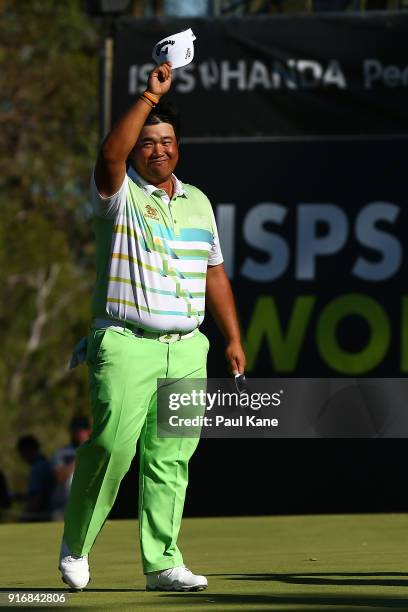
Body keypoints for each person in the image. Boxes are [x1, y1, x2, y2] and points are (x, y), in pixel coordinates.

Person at [58, 60, 245, 592]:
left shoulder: (200, 203)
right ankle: (76, 544)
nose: (158, 149)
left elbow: (215, 273)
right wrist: (148, 95)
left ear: (177, 146)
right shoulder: (118, 195)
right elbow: (108, 155)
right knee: (114, 447)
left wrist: (231, 336)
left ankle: (162, 563)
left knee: (171, 458)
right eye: (148, 142)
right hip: (125, 342)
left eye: (166, 140)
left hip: (187, 348)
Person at [51, 415, 91, 521]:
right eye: (74, 431)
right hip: (64, 508)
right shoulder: (61, 453)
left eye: (80, 431)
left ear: (89, 431)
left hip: (89, 507)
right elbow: (60, 478)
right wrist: (81, 455)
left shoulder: (96, 452)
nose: (77, 434)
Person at [16, 435, 55, 522]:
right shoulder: (46, 463)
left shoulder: (38, 467)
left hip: (43, 517)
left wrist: (24, 517)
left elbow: (37, 497)